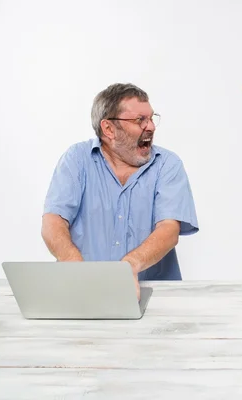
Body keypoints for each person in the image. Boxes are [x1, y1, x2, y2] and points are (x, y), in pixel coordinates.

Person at [42, 83, 199, 298]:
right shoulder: (77, 159)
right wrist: (75, 269)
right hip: (83, 293)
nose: (151, 127)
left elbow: (169, 230)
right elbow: (53, 222)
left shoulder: (168, 164)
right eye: (140, 120)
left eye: (152, 118)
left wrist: (127, 268)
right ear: (108, 129)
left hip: (156, 298)